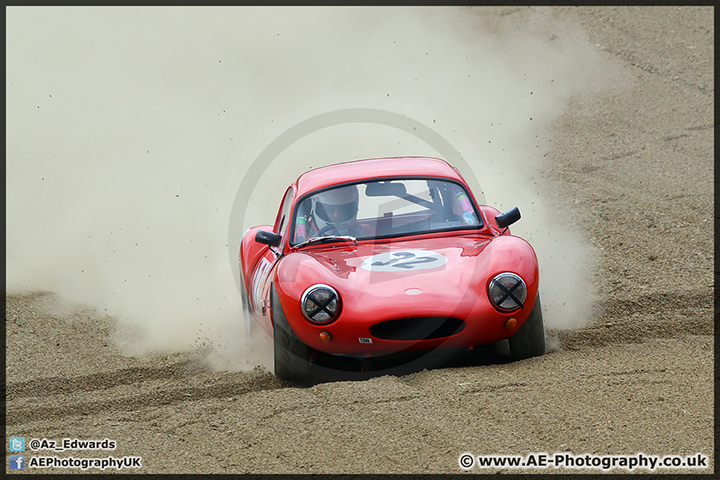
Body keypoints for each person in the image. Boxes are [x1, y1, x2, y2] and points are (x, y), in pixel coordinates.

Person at [294, 185, 377, 242]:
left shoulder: (369, 234)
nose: (336, 214)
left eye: (343, 209)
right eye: (329, 209)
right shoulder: (301, 239)